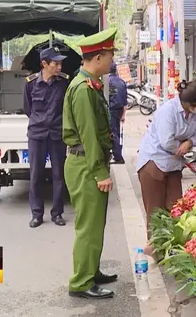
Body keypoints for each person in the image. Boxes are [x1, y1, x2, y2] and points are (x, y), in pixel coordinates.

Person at [62, 28, 119, 299]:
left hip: (88, 163)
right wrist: (100, 172)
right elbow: (88, 135)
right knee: (88, 227)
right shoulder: (83, 89)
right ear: (98, 58)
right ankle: (81, 282)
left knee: (95, 224)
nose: (112, 62)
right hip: (85, 164)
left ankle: (91, 271)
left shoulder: (89, 85)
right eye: (109, 56)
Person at [137, 80, 196, 251]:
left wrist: (188, 143)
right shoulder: (168, 111)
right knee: (155, 211)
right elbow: (166, 142)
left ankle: (173, 247)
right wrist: (183, 145)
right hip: (153, 162)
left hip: (174, 164)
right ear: (191, 103)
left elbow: (195, 135)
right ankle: (155, 248)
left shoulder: (194, 113)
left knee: (176, 207)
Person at [23, 47, 70, 228]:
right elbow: (28, 109)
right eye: (55, 63)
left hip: (57, 134)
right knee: (36, 175)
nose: (59, 66)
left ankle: (57, 213)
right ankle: (37, 214)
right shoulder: (30, 83)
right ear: (44, 64)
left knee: (59, 175)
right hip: (37, 134)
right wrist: (40, 121)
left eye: (60, 63)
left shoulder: (64, 82)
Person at [108, 61, 128, 164]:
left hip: (111, 111)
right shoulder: (122, 82)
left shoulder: (108, 82)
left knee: (113, 133)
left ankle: (118, 156)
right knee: (118, 133)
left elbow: (106, 99)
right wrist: (123, 115)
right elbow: (125, 101)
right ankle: (118, 154)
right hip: (120, 111)